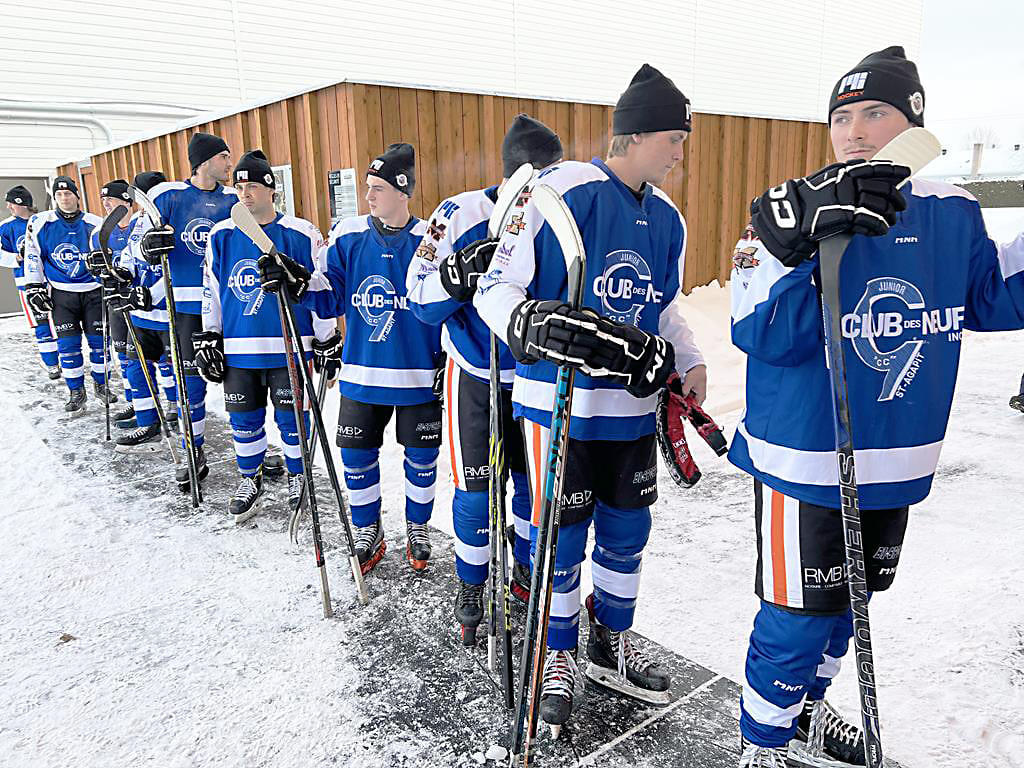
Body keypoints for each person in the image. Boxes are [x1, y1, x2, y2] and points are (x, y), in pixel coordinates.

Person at [728, 47, 1024, 767]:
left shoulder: (953, 208)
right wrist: (799, 243)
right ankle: (760, 746)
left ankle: (803, 715)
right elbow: (759, 328)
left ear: (913, 121)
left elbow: (990, 298)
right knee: (796, 620)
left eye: (875, 113)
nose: (855, 131)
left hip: (897, 454)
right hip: (805, 457)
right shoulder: (796, 203)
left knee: (847, 613)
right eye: (841, 116)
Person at [474, 64, 707, 730]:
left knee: (628, 535)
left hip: (630, 412)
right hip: (558, 409)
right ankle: (558, 652)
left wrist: (688, 363)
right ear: (635, 134)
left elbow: (661, 309)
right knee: (562, 540)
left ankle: (611, 640)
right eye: (673, 137)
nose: (680, 151)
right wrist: (527, 322)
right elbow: (496, 288)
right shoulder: (556, 191)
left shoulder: (668, 218)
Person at [406, 114, 563, 645]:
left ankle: (524, 573)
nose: (553, 182)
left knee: (533, 492)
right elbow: (419, 297)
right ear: (520, 171)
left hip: (539, 377)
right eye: (547, 171)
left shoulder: (561, 214)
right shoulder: (458, 211)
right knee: (476, 493)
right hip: (477, 373)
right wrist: (455, 276)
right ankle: (472, 583)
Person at [259, 143, 444, 573]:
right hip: (362, 374)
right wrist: (298, 283)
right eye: (366, 187)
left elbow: (443, 306)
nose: (369, 196)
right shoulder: (348, 234)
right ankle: (367, 528)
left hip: (418, 375)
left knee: (421, 458)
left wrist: (446, 363)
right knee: (356, 456)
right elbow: (330, 294)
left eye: (377, 188)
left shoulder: (431, 240)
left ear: (403, 191)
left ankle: (417, 527)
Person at [196, 149, 335, 522]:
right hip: (240, 349)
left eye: (253, 185)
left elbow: (319, 286)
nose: (244, 192)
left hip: (291, 345)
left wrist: (326, 337)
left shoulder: (301, 233)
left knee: (292, 423)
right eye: (239, 185)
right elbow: (212, 289)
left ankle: (297, 475)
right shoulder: (221, 234)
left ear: (271, 189)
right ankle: (250, 478)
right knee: (244, 421)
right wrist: (210, 335)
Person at [137, 133, 238, 490]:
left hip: (230, 307)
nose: (230, 163)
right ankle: (192, 450)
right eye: (224, 157)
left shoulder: (233, 199)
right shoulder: (168, 195)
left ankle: (251, 452)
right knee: (189, 385)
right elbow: (140, 242)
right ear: (204, 161)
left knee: (242, 383)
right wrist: (149, 247)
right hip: (183, 308)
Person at [22, 176, 109, 414]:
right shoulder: (40, 222)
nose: (64, 198)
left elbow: (108, 255)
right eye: (59, 195)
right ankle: (76, 391)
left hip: (93, 293)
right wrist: (34, 286)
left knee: (99, 344)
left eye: (68, 193)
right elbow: (33, 255)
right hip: (62, 295)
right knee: (68, 346)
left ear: (77, 196)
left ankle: (102, 385)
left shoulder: (95, 222)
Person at [111, 170, 181, 451]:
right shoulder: (140, 221)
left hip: (168, 314)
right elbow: (129, 256)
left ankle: (178, 411)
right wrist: (121, 275)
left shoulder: (175, 222)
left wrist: (151, 295)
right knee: (136, 368)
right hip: (141, 314)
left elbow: (178, 270)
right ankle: (148, 423)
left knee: (176, 370)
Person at [88, 179, 139, 428]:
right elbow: (97, 268)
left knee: (156, 358)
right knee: (124, 355)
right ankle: (135, 402)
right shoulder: (98, 233)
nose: (106, 203)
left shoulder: (141, 225)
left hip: (142, 301)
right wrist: (97, 267)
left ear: (127, 201)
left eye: (112, 199)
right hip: (116, 301)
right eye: (104, 199)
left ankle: (171, 404)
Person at [0, 185, 60, 380]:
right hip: (26, 282)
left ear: (21, 203)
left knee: (60, 322)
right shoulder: (6, 227)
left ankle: (67, 359)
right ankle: (52, 363)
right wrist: (17, 257)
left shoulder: (44, 221)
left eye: (11, 203)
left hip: (53, 280)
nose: (8, 207)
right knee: (40, 323)